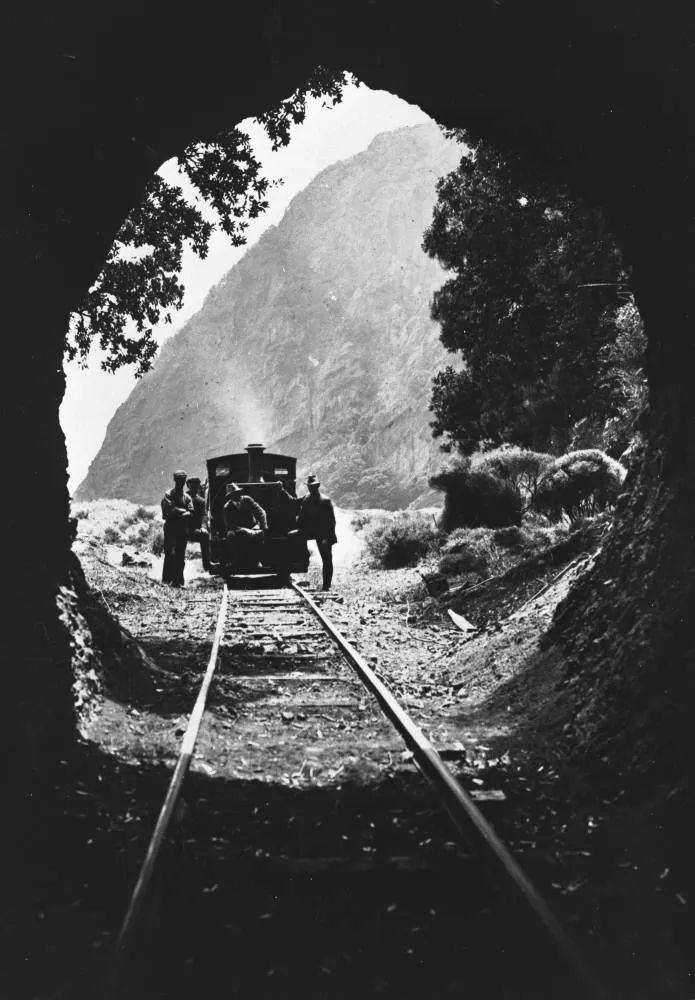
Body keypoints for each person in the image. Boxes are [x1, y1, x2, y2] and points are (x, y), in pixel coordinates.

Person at [298, 474, 337, 591]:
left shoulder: (326, 501)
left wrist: (327, 538)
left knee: (327, 559)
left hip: (323, 534)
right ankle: (304, 560)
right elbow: (301, 515)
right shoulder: (306, 499)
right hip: (310, 531)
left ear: (318, 486)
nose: (311, 488)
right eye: (309, 486)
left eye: (313, 486)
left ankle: (326, 586)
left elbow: (331, 522)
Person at [161, 470, 193, 586]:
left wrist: (179, 511)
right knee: (170, 553)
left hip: (182, 529)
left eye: (183, 480)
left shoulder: (187, 497)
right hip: (171, 528)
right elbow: (170, 509)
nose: (181, 482)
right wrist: (183, 511)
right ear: (175, 480)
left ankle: (178, 581)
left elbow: (191, 512)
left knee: (180, 555)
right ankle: (166, 580)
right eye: (179, 480)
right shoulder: (168, 494)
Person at [223, 482, 268, 566]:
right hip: (237, 530)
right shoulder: (227, 507)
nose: (237, 495)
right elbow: (229, 525)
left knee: (259, 535)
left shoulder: (247, 499)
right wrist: (244, 530)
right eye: (234, 494)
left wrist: (263, 525)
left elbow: (260, 512)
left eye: (237, 493)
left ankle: (258, 560)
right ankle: (235, 561)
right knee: (230, 535)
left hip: (253, 527)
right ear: (230, 496)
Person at [186, 476, 210, 571]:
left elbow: (204, 516)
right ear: (188, 486)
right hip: (182, 529)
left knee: (205, 535)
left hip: (193, 530)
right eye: (192, 485)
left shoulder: (201, 501)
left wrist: (203, 527)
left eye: (196, 485)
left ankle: (206, 566)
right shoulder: (183, 497)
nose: (195, 488)